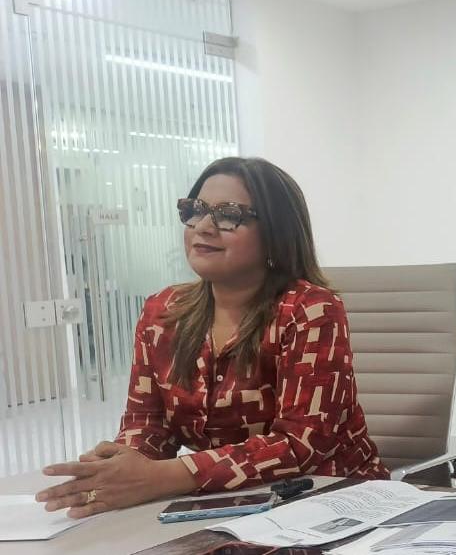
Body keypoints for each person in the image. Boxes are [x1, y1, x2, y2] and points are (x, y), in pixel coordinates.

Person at [37, 157, 388, 518]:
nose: (203, 226)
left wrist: (165, 476)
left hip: (329, 500)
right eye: (195, 210)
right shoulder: (161, 312)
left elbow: (301, 445)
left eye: (229, 214)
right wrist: (119, 467)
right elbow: (148, 425)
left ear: (276, 233)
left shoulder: (311, 310)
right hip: (222, 504)